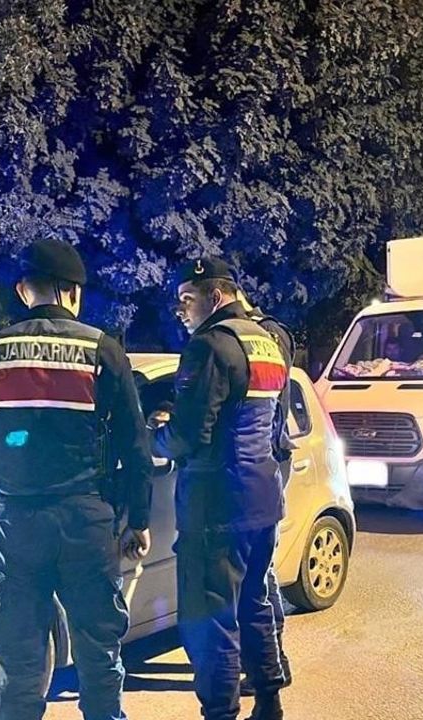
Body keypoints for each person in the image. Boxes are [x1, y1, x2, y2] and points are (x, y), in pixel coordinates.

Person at [0, 238, 154, 720]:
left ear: (25, 291)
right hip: (87, 521)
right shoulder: (102, 350)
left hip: (17, 525)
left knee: (20, 662)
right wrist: (138, 520)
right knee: (98, 655)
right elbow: (135, 445)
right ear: (73, 292)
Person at [155, 258, 289, 720]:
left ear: (214, 297)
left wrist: (152, 438)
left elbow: (188, 435)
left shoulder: (210, 345)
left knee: (210, 621)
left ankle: (220, 712)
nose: (181, 310)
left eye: (187, 299)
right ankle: (269, 702)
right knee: (254, 606)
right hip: (262, 498)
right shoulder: (266, 341)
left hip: (216, 506)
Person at [236, 288, 296, 696]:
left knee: (259, 572)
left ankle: (273, 660)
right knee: (259, 569)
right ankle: (268, 659)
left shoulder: (263, 334)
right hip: (267, 459)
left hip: (265, 460)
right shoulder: (265, 333)